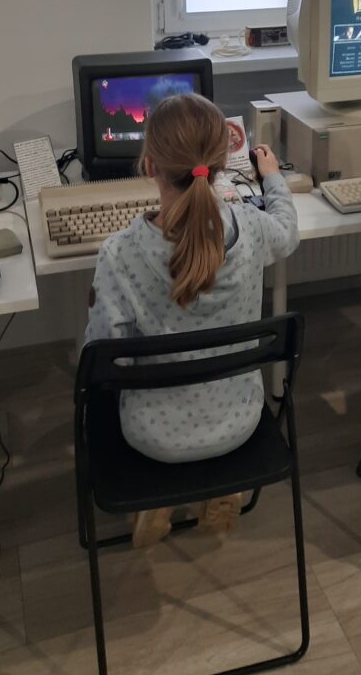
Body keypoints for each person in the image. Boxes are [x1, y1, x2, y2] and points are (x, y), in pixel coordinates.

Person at [85, 93, 299, 547]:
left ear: (149, 165)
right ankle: (223, 490)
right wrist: (273, 178)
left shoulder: (121, 254)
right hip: (240, 425)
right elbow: (287, 231)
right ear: (221, 165)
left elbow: (103, 362)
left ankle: (157, 500)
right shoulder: (252, 229)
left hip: (151, 438)